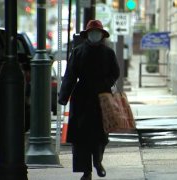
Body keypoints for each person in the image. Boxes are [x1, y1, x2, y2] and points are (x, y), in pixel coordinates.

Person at [58, 20, 120, 180]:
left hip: (102, 98)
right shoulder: (78, 52)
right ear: (87, 35)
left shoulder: (108, 53)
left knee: (101, 135)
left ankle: (97, 162)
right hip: (82, 99)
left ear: (101, 35)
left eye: (97, 33)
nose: (94, 36)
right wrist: (63, 96)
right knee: (81, 137)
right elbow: (70, 75)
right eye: (92, 33)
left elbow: (115, 73)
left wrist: (105, 83)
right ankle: (86, 171)